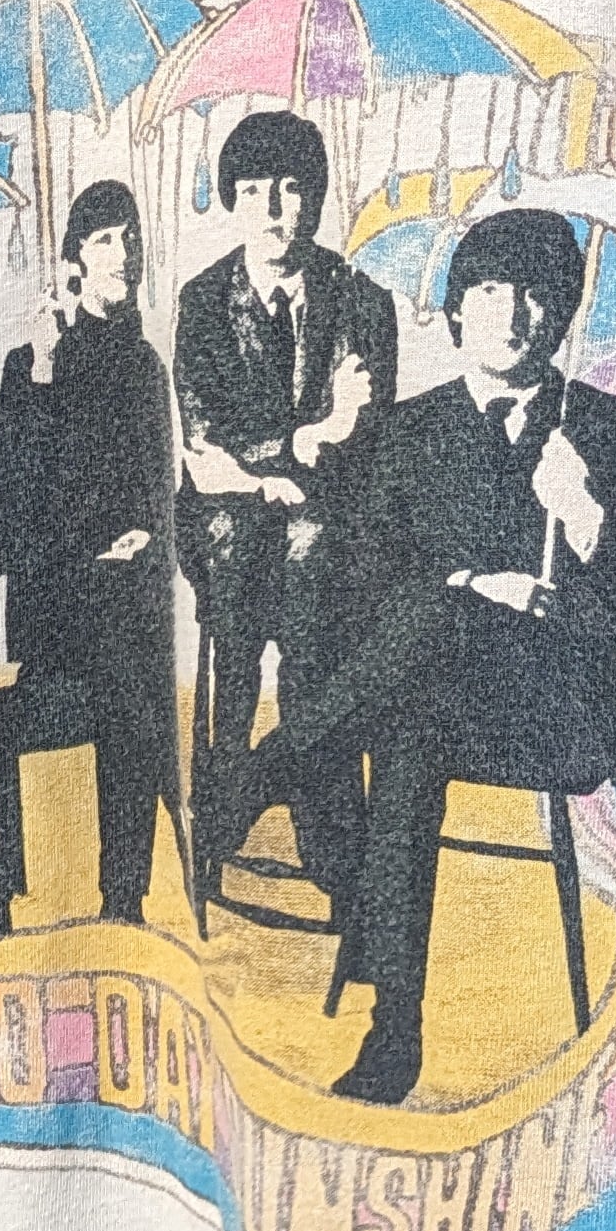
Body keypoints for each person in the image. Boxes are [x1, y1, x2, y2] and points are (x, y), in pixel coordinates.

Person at [278, 204, 616, 1107]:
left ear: (562, 314)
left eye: (534, 293)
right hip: (443, 704)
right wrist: (475, 587)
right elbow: (361, 597)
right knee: (414, 711)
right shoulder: (405, 432)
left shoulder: (613, 434)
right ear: (456, 308)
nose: (510, 312)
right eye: (488, 289)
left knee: (417, 676)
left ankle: (276, 761)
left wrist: (586, 517)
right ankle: (395, 1032)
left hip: (561, 712)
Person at [170, 106, 398, 877]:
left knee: (313, 552)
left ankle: (297, 791)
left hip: (325, 530)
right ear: (232, 201)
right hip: (226, 525)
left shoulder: (362, 302)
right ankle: (233, 770)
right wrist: (306, 439)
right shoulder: (203, 302)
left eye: (290, 188)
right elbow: (207, 448)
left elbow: (366, 451)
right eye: (253, 190)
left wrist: (305, 454)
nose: (271, 208)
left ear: (317, 197)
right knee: (242, 547)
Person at [0, 179, 182, 928]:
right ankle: (123, 897)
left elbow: (159, 492)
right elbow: (17, 501)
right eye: (105, 239)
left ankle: (123, 899)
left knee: (129, 674)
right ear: (73, 260)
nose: (123, 252)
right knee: (129, 676)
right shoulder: (32, 364)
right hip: (54, 609)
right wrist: (43, 373)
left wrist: (145, 536)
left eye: (130, 238)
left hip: (124, 607)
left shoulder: (145, 368)